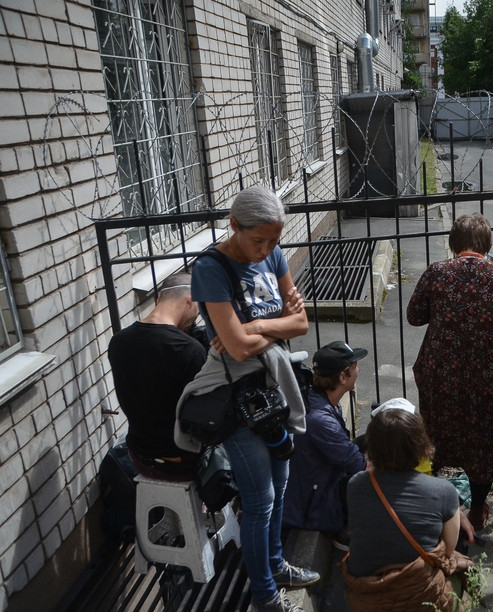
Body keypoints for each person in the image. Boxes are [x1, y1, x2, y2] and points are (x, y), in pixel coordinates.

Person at [185, 185, 317, 612]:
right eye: (258, 240)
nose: (267, 250)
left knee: (280, 485)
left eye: (274, 240)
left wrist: (256, 326)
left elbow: (301, 324)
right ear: (233, 225)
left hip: (275, 389)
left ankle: (276, 565)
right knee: (260, 500)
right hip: (238, 400)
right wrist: (275, 323)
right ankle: (265, 596)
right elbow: (238, 350)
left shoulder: (273, 255)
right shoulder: (211, 269)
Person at [407, 213, 493, 529]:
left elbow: (414, 316)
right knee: (483, 439)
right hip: (489, 375)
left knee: (435, 432)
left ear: (453, 243)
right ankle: (476, 509)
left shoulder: (437, 273)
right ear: (486, 244)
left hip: (443, 371)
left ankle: (433, 503)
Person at [342, 399, 473, 611]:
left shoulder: (355, 485)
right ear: (420, 443)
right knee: (458, 563)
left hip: (365, 599)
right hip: (420, 599)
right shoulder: (444, 491)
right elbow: (447, 551)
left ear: (371, 444)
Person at [109, 272, 206, 480]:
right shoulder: (189, 349)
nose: (196, 317)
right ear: (190, 300)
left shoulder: (118, 341)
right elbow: (204, 418)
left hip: (138, 454)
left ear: (159, 299)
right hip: (182, 460)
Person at [283, 341, 367, 538]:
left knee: (370, 440)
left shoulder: (319, 400)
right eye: (355, 366)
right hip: (315, 509)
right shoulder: (321, 421)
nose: (358, 370)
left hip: (322, 484)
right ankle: (347, 535)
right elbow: (359, 466)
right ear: (343, 377)